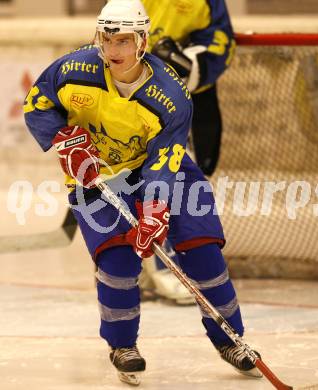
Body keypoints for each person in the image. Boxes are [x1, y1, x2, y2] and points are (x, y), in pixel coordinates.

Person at [23, 0, 260, 386]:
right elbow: (38, 105)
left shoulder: (172, 95)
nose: (113, 50)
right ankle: (122, 346)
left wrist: (154, 210)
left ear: (143, 41)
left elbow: (163, 162)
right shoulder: (73, 69)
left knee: (203, 252)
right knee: (117, 263)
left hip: (161, 170)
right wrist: (63, 139)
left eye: (124, 41)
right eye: (107, 39)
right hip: (95, 176)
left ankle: (231, 339)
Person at [139, 0, 236, 304]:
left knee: (180, 182)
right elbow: (109, 37)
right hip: (136, 100)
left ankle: (168, 266)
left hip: (186, 100)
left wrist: (189, 63)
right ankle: (150, 268)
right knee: (138, 180)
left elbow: (221, 42)